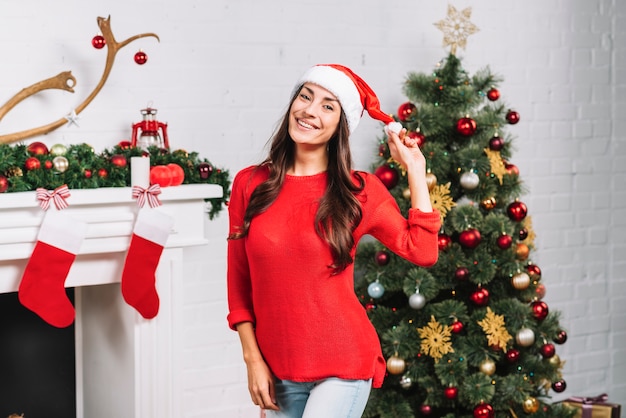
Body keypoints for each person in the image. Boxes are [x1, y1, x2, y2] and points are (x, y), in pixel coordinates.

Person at [226, 64, 441, 418]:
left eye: (328, 105)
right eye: (305, 96)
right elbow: (239, 282)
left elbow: (422, 250)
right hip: (278, 366)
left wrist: (415, 169)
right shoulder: (250, 184)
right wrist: (252, 359)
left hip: (343, 361)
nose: (310, 110)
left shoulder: (360, 191)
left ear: (341, 126)